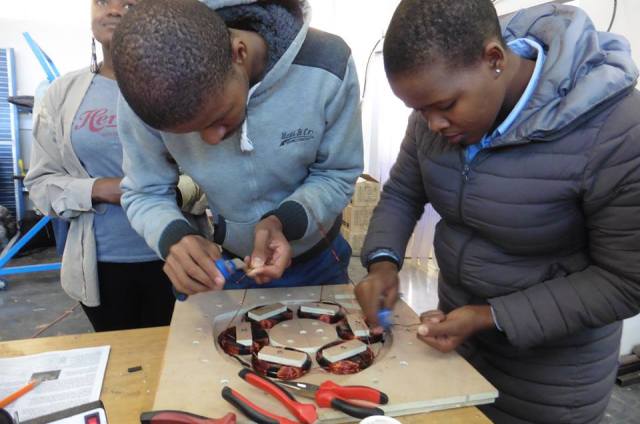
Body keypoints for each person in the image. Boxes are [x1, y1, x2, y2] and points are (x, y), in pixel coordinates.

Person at [355, 1, 640, 423]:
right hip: (456, 346)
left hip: (552, 383)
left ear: (494, 60)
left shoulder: (617, 130)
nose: (432, 125)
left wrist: (492, 317)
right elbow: (401, 193)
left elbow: (625, 281)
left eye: (445, 106)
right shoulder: (437, 104)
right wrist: (382, 262)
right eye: (419, 110)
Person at [111, 0, 363, 294]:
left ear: (238, 53)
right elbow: (144, 191)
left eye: (218, 119)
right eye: (188, 134)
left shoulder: (328, 63)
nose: (211, 140)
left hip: (319, 260)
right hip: (228, 266)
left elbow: (336, 173)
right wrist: (173, 236)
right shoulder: (144, 94)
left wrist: (284, 221)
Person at [24, 0, 177, 332]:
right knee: (119, 358)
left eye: (129, 3)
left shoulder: (180, 88)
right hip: (101, 266)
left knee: (177, 356)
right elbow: (40, 184)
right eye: (103, 1)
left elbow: (215, 171)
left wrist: (169, 191)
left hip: (177, 255)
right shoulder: (62, 94)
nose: (113, 10)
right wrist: (99, 189)